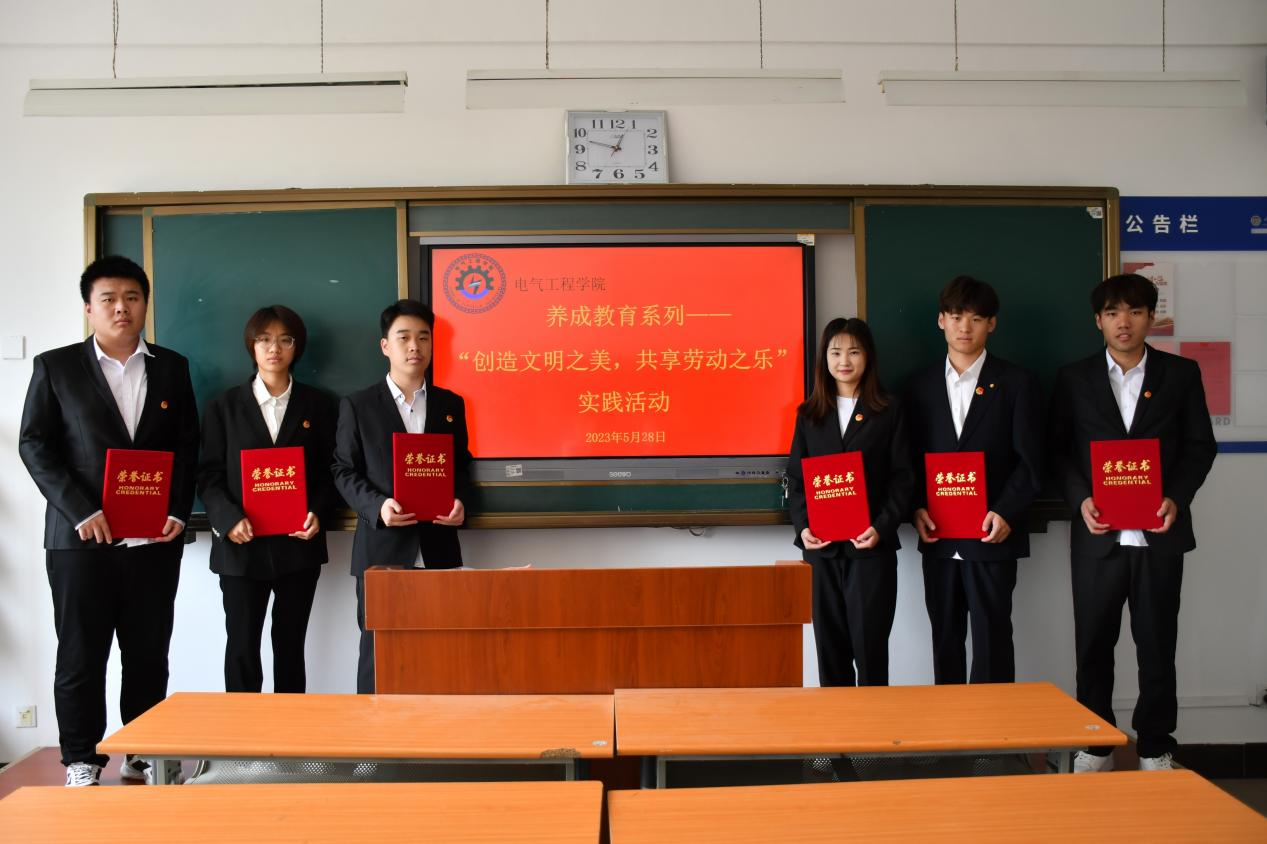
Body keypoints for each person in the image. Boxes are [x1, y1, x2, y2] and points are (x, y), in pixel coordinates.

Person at [19, 255, 198, 786]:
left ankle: (142, 751)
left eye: (132, 298)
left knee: (148, 653)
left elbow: (187, 446)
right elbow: (35, 445)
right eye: (109, 299)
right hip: (80, 542)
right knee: (81, 654)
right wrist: (81, 509)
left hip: (153, 541)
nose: (122, 308)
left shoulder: (172, 367)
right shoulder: (56, 367)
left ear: (145, 305)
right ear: (89, 308)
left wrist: (177, 510)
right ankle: (81, 758)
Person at [1049, 273, 1216, 772]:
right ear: (1097, 321)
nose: (1124, 322)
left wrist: (1176, 497)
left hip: (1159, 535)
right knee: (1093, 645)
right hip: (1097, 537)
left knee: (1157, 645)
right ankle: (1095, 742)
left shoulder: (1180, 374)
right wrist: (1079, 499)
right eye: (1113, 313)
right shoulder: (1073, 378)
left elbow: (1199, 446)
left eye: (1136, 311)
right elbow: (1056, 450)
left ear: (1151, 318)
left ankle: (1155, 746)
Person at [905, 276, 1044, 685]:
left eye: (976, 318)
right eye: (955, 316)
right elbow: (905, 460)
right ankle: (950, 724)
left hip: (992, 534)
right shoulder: (917, 387)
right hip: (938, 535)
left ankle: (994, 727)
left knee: (992, 640)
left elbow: (1033, 461)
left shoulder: (1017, 383)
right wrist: (915, 506)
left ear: (992, 324)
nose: (965, 327)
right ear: (941, 321)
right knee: (944, 639)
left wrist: (1007, 511)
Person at [332, 299, 471, 694]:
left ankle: (435, 732)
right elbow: (342, 469)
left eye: (423, 338)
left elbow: (461, 465)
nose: (415, 346)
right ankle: (372, 733)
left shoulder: (450, 405)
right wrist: (378, 506)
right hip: (382, 550)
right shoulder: (358, 405)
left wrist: (460, 501)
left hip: (439, 546)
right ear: (385, 346)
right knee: (377, 654)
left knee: (442, 652)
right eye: (404, 337)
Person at [197, 305, 338, 694]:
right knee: (242, 649)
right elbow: (207, 474)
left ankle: (290, 730)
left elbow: (331, 472)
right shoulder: (223, 407)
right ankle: (243, 732)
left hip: (298, 547)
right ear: (252, 346)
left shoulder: (319, 406)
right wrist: (228, 518)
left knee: (290, 648)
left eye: (284, 339)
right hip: (241, 549)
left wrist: (318, 512)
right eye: (264, 339)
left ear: (297, 346)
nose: (274, 348)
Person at [788, 318, 913, 687]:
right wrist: (803, 527)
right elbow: (796, 480)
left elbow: (903, 478)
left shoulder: (889, 409)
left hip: (870, 550)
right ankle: (835, 726)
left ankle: (872, 728)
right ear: (824, 359)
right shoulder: (809, 415)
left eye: (854, 352)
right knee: (830, 651)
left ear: (867, 357)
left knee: (870, 650)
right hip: (823, 551)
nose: (844, 361)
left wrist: (881, 526)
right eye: (836, 352)